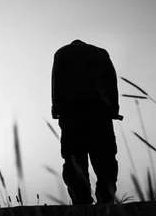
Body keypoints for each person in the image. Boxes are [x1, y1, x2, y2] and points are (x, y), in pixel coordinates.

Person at [51, 39, 121, 204]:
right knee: (105, 160)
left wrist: (56, 109)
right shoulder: (101, 53)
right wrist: (114, 109)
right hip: (99, 112)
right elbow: (112, 82)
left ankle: (82, 203)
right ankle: (106, 202)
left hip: (72, 113)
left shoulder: (62, 53)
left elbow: (56, 82)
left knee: (75, 161)